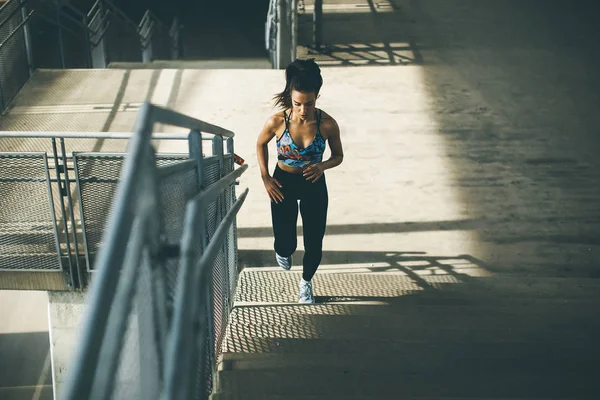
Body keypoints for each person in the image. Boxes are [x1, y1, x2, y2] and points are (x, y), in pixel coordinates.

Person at [256, 59, 344, 304]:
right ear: (290, 98)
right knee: (286, 243)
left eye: (309, 103)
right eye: (297, 104)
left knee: (314, 241)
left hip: (313, 184)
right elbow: (260, 144)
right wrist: (266, 177)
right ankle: (282, 250)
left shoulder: (327, 124)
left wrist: (322, 165)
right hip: (282, 182)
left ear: (317, 97)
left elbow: (338, 156)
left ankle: (306, 282)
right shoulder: (277, 122)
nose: (303, 110)